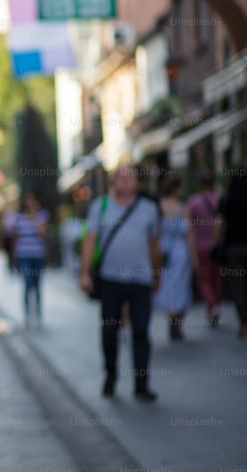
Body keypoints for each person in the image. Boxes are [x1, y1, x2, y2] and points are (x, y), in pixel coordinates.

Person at [78, 164, 164, 402]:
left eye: (130, 176)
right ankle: (111, 374)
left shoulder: (149, 209)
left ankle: (141, 383)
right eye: (120, 176)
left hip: (141, 280)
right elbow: (90, 241)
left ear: (138, 182)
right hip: (109, 280)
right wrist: (84, 273)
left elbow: (154, 245)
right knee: (109, 331)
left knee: (140, 331)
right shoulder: (100, 207)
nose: (125, 181)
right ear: (113, 181)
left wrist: (157, 274)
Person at [153, 175, 198, 341]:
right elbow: (189, 234)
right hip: (180, 251)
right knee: (182, 285)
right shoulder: (183, 207)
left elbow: (154, 232)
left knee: (168, 284)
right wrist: (194, 257)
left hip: (163, 250)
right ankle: (177, 320)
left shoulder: (159, 206)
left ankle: (172, 314)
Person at [7, 191, 49, 327]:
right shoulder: (18, 217)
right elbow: (15, 237)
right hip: (23, 254)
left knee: (37, 286)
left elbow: (42, 232)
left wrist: (34, 215)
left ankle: (38, 314)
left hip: (37, 255)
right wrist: (13, 256)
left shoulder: (42, 215)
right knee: (27, 283)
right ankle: (26, 315)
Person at [187, 170, 224, 328]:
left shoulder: (193, 202)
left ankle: (212, 305)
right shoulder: (219, 199)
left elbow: (189, 228)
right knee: (216, 279)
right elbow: (220, 222)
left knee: (203, 279)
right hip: (216, 246)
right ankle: (213, 306)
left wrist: (191, 251)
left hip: (200, 246)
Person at [219, 169, 247, 338]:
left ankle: (244, 323)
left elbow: (220, 223)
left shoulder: (227, 199)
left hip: (234, 247)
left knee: (238, 288)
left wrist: (219, 242)